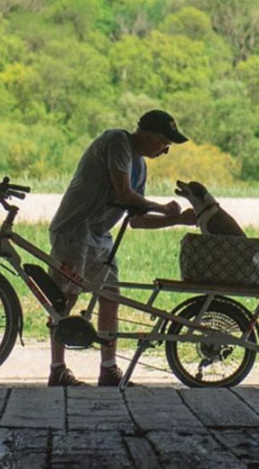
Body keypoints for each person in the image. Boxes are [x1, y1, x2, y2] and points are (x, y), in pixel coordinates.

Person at [47, 110, 197, 387]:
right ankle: (57, 369)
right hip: (74, 230)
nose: (165, 151)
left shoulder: (140, 166)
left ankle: (108, 369)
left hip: (99, 236)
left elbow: (136, 220)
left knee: (110, 297)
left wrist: (176, 219)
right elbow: (123, 194)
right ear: (150, 135)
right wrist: (163, 208)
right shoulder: (117, 142)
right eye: (165, 143)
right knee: (64, 299)